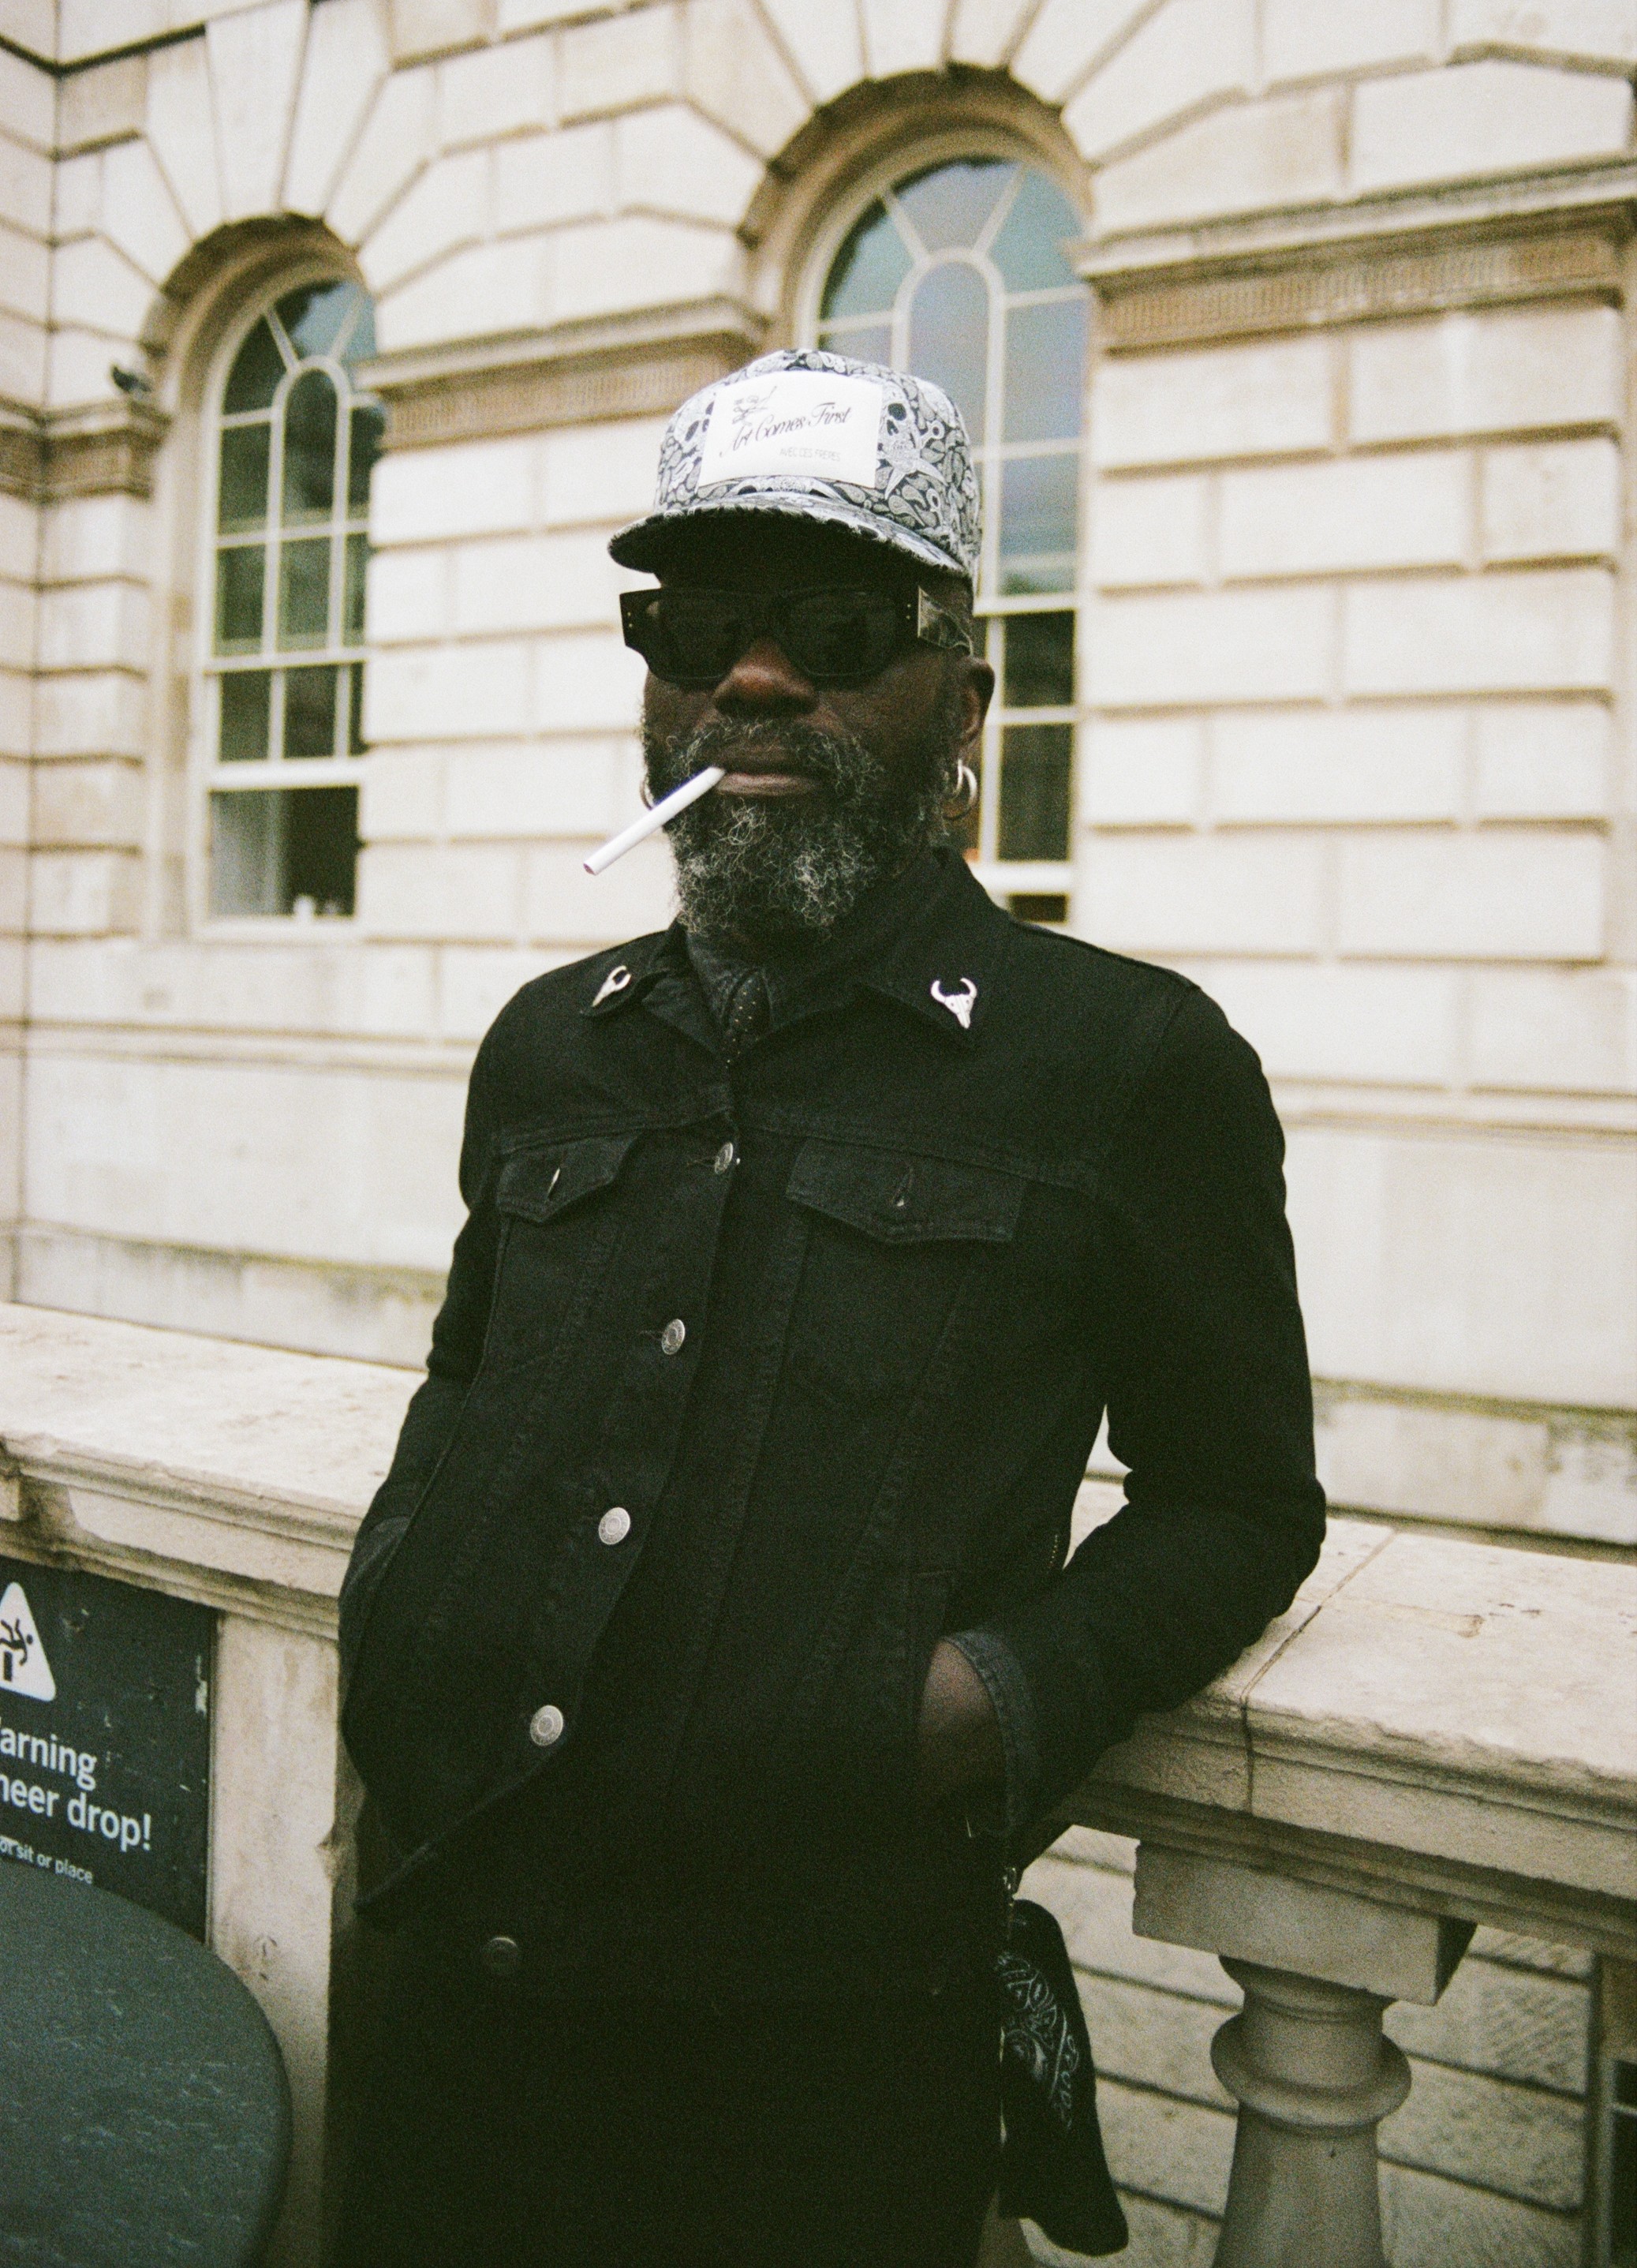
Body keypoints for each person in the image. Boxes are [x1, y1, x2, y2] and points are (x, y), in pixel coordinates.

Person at [335, 348, 1325, 2268]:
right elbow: (463, 1385)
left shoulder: (1128, 1066)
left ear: (964, 692)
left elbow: (1240, 1500)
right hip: (455, 1982)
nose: (753, 677)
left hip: (813, 2062)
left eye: (836, 619)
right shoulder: (551, 1046)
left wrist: (964, 1707)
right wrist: (402, 1599)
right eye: (698, 621)